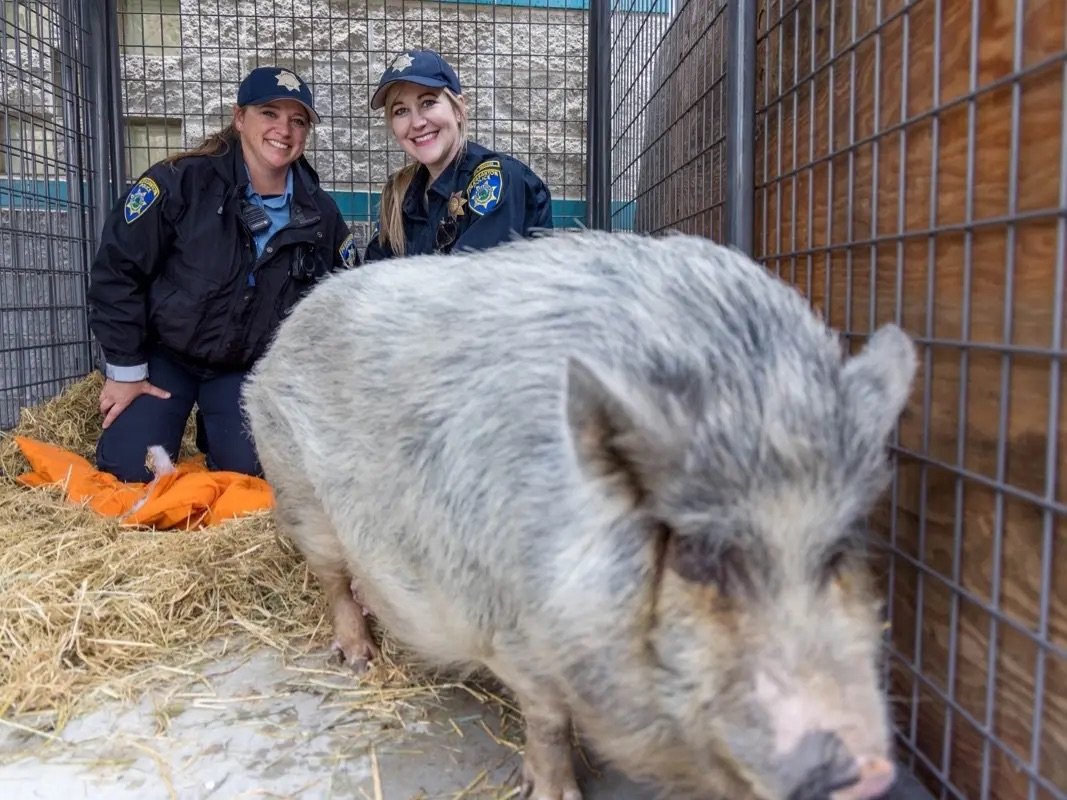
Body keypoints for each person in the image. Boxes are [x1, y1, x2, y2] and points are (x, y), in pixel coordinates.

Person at [87, 66, 360, 483]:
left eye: (298, 120)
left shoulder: (320, 215)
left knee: (252, 474)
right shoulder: (179, 182)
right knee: (130, 470)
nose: (283, 130)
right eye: (270, 113)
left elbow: (340, 307)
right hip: (165, 356)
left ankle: (218, 427)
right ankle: (171, 414)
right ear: (239, 118)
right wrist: (126, 370)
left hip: (246, 369)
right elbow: (118, 270)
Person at [364, 48, 553, 260]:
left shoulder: (495, 180)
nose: (417, 123)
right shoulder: (398, 193)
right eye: (401, 111)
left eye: (428, 102)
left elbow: (469, 286)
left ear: (458, 109)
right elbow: (371, 277)